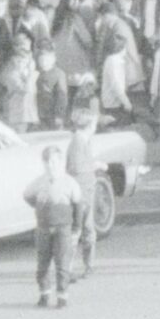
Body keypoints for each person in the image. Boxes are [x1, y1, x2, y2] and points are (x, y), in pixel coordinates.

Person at [23, 145, 83, 309]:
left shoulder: (70, 183)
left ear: (61, 162)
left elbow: (78, 205)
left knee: (62, 264)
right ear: (43, 163)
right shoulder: (38, 183)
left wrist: (76, 229)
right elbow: (28, 196)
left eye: (55, 161)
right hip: (43, 228)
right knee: (42, 264)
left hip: (63, 228)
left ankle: (62, 296)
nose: (52, 165)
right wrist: (41, 208)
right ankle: (44, 294)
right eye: (48, 161)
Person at [66, 108, 102, 281]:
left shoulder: (83, 140)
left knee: (87, 229)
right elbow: (75, 168)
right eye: (94, 123)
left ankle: (89, 266)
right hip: (80, 192)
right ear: (88, 125)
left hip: (87, 189)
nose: (96, 127)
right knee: (77, 230)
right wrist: (96, 166)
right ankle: (68, 269)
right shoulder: (78, 142)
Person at [51, 0, 96, 84]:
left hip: (59, 61)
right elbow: (87, 39)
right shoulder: (74, 19)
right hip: (74, 62)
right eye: (77, 1)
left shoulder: (56, 18)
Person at [2, 35, 39, 132]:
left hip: (29, 110)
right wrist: (31, 73)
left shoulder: (30, 63)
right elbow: (24, 89)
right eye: (24, 48)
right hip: (18, 111)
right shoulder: (12, 68)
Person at [100, 34, 134, 127]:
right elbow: (117, 85)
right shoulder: (114, 62)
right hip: (114, 104)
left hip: (112, 102)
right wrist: (126, 102)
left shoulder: (112, 60)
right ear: (122, 48)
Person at [34, 45, 69, 130]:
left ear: (53, 59)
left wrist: (59, 115)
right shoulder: (36, 74)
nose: (43, 62)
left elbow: (62, 96)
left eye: (46, 59)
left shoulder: (59, 74)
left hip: (52, 115)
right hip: (38, 115)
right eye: (41, 59)